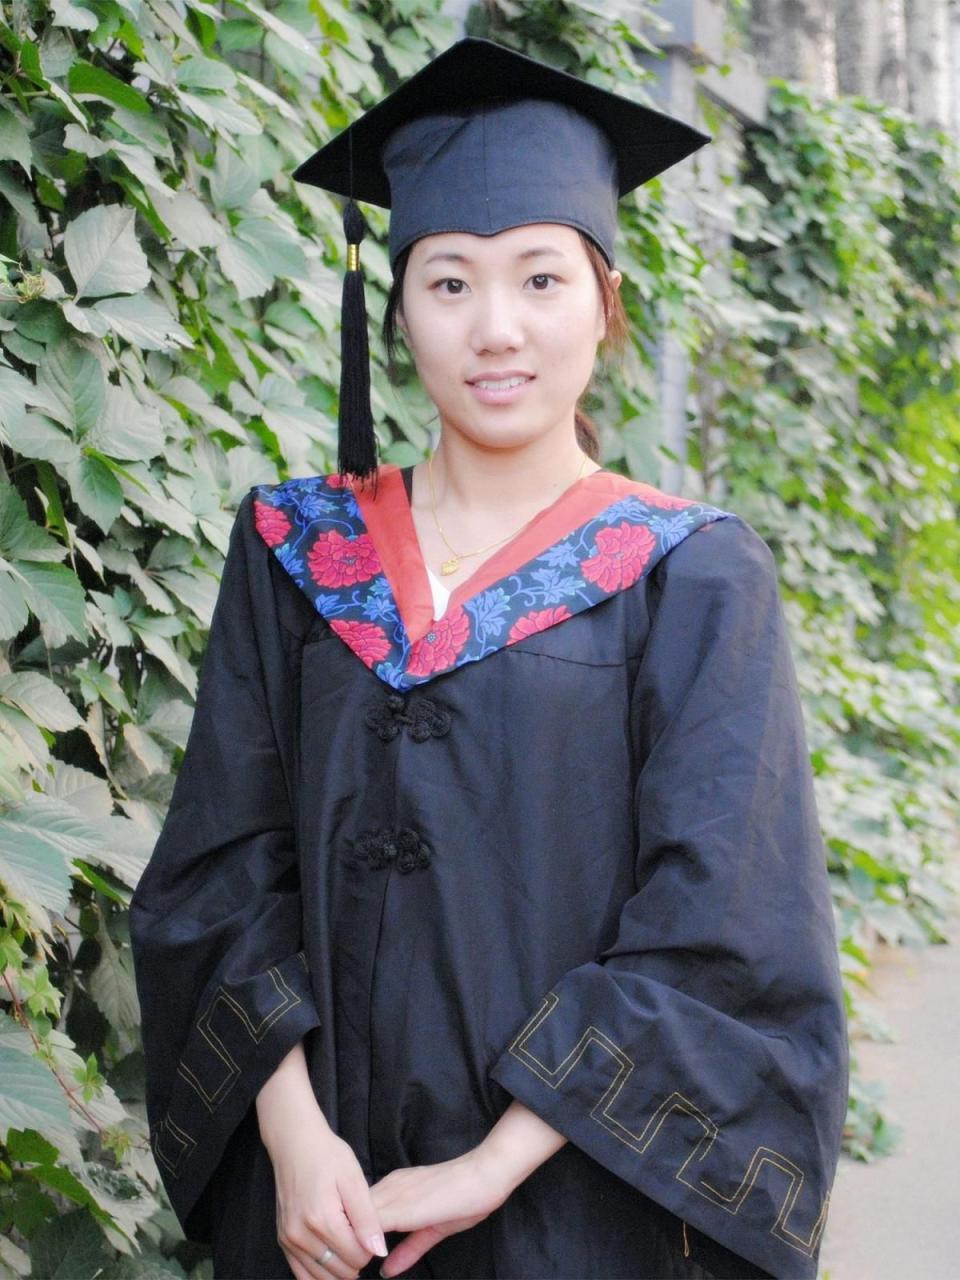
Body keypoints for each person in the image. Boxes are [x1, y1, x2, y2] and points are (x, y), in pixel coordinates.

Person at [129, 36, 849, 1280]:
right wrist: (293, 1140)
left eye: (541, 278)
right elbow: (220, 869)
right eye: (450, 281)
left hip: (570, 1211)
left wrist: (491, 1165)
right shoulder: (299, 550)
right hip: (318, 1212)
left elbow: (719, 926)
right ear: (398, 307)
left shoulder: (688, 574)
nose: (496, 328)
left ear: (605, 302)